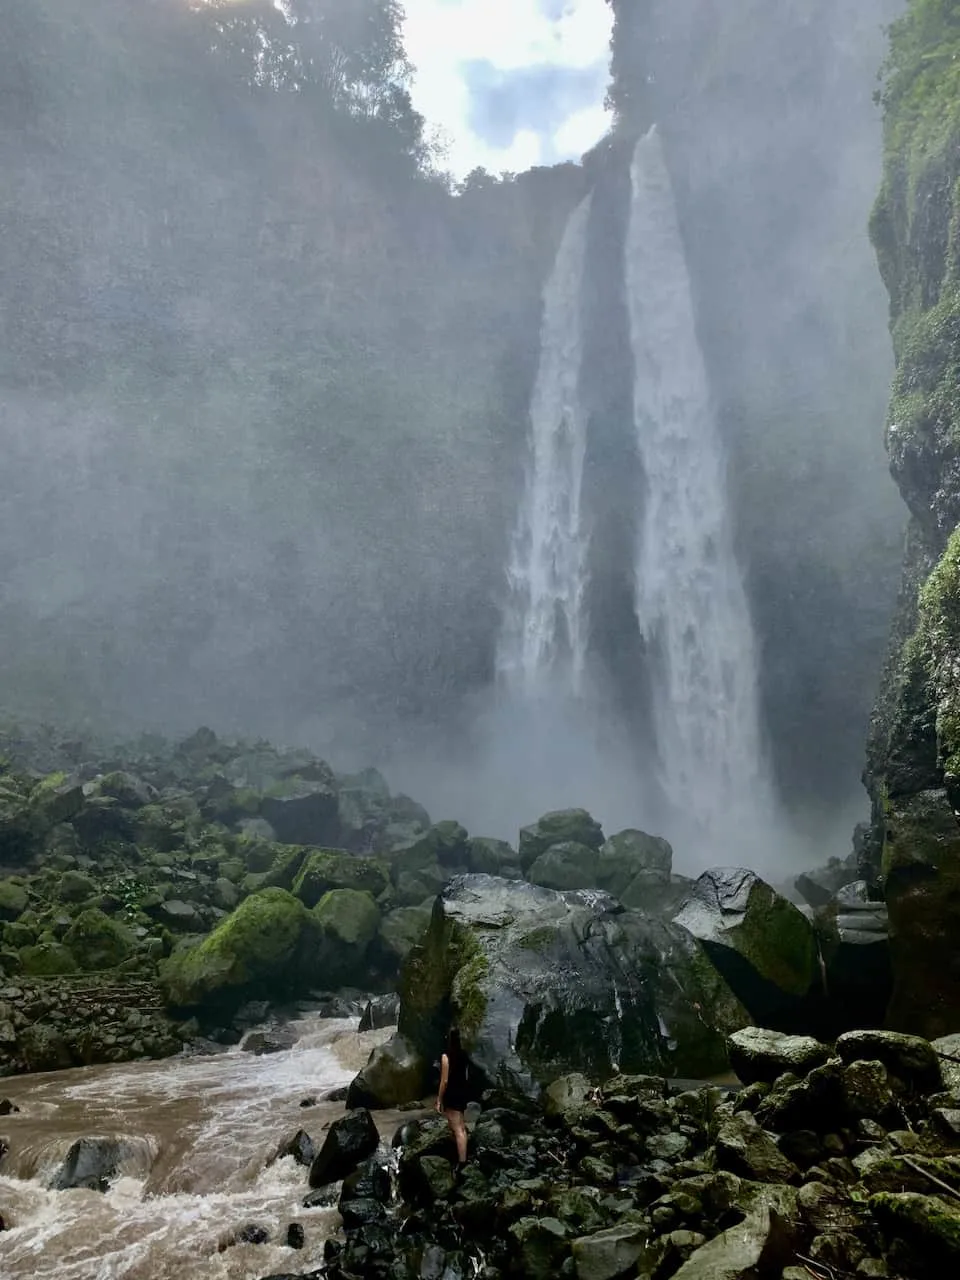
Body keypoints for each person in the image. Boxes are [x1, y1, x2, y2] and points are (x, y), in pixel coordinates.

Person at [435, 1026, 470, 1166]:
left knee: (457, 1129)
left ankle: (462, 1162)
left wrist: (439, 1099)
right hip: (462, 1092)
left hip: (452, 1093)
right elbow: (466, 1075)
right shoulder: (464, 1054)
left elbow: (444, 1081)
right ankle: (462, 1157)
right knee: (461, 1126)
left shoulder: (446, 1056)